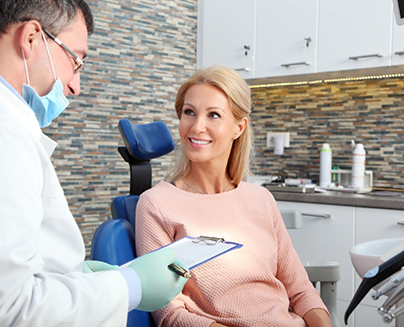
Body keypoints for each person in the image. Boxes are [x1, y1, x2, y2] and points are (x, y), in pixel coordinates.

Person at [0, 0, 188, 326]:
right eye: (76, 61)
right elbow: (13, 306)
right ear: (30, 38)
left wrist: (77, 278)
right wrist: (130, 286)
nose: (75, 86)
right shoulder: (7, 134)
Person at [135, 65, 332, 327]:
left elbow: (301, 291)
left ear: (238, 127)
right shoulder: (157, 204)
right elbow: (169, 313)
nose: (197, 127)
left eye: (213, 115)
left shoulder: (261, 199)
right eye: (189, 112)